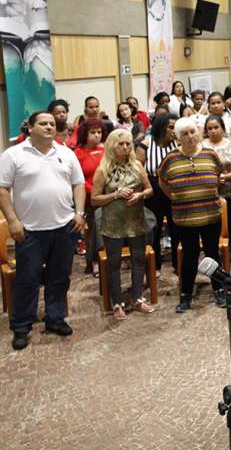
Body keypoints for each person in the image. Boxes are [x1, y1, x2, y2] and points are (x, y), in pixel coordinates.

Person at [0, 111, 86, 350]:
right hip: (30, 231)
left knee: (59, 278)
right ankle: (21, 326)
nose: (49, 126)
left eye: (51, 123)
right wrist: (13, 221)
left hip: (64, 227)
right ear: (30, 127)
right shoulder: (14, 155)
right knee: (27, 280)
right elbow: (3, 189)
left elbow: (78, 184)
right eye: (43, 123)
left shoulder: (66, 153)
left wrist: (79, 213)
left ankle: (55, 318)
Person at [159, 117, 225, 313]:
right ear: (178, 137)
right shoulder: (170, 158)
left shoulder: (210, 154)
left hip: (211, 215)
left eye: (192, 132)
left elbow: (219, 175)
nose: (189, 136)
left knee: (213, 253)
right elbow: (162, 181)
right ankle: (186, 295)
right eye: (184, 134)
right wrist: (175, 197)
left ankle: (219, 289)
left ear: (198, 132)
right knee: (189, 256)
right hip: (185, 218)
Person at [91, 129, 154, 320]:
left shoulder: (136, 165)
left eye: (128, 144)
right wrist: (116, 194)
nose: (126, 147)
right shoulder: (103, 169)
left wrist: (140, 195)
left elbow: (149, 189)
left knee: (138, 260)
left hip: (135, 220)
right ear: (112, 145)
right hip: (113, 223)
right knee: (114, 263)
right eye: (121, 144)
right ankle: (117, 302)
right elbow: (94, 200)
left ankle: (137, 297)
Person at [136, 113, 178, 274]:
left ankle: (177, 263)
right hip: (153, 188)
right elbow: (138, 167)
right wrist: (146, 186)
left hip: (173, 188)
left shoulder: (178, 143)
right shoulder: (146, 143)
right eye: (170, 127)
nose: (174, 131)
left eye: (175, 127)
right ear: (161, 127)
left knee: (176, 228)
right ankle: (155, 266)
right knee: (154, 229)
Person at [202, 115, 231, 268]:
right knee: (211, 226)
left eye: (216, 127)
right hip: (207, 193)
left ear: (222, 128)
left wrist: (225, 176)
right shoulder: (201, 146)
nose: (213, 131)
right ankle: (213, 256)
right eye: (209, 129)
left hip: (229, 192)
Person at [74, 118, 108, 274]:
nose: (97, 136)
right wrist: (95, 192)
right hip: (89, 198)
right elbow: (79, 179)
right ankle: (95, 261)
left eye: (99, 132)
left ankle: (109, 257)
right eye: (93, 132)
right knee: (95, 229)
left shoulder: (106, 150)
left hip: (109, 195)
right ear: (84, 134)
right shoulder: (78, 153)